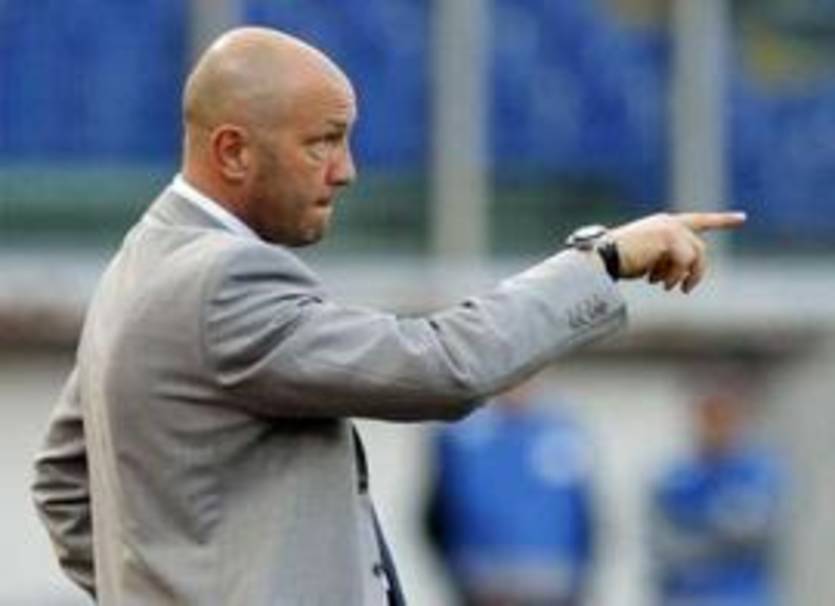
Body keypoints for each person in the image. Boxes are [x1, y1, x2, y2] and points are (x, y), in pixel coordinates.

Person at [31, 26, 744, 606]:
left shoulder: (141, 262)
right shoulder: (222, 279)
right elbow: (440, 368)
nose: (346, 170)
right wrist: (601, 262)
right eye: (323, 140)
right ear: (233, 151)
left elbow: (63, 483)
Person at [426, 383, 597, 606]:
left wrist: (580, 581)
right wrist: (458, 574)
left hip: (552, 581)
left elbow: (584, 517)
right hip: (484, 582)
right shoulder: (461, 435)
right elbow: (437, 515)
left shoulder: (562, 431)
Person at [649, 386, 783, 606]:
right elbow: (663, 542)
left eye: (724, 419)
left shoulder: (759, 472)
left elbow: (753, 532)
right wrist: (719, 525)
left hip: (742, 596)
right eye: (709, 418)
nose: (716, 428)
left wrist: (695, 527)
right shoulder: (675, 475)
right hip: (685, 596)